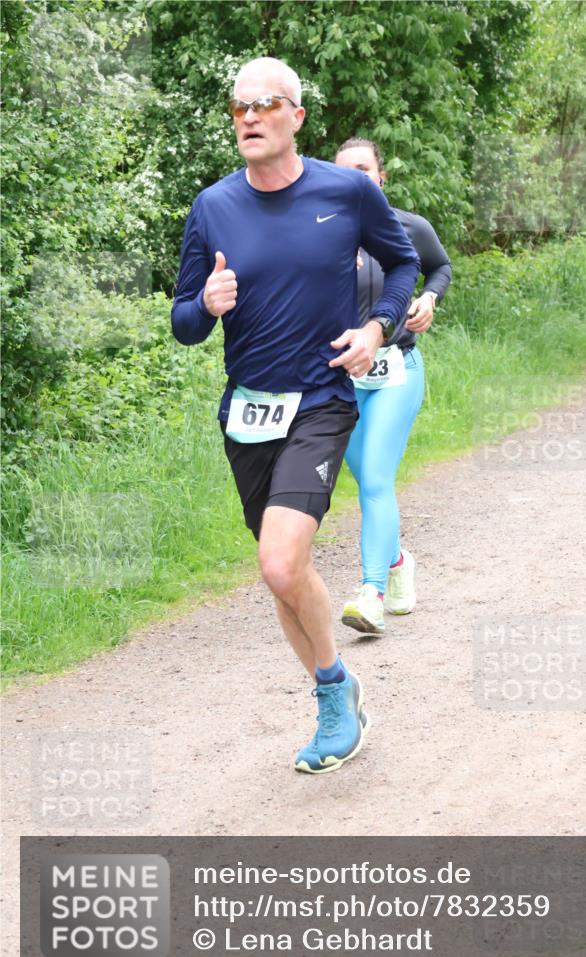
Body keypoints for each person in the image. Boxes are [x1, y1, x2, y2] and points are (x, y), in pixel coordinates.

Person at [171, 59, 419, 773]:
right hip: (248, 411)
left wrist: (375, 328)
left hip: (321, 399)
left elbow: (400, 265)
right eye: (238, 107)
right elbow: (184, 322)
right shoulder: (212, 206)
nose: (248, 118)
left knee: (280, 560)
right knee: (282, 572)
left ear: (296, 117)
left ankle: (332, 697)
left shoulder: (343, 192)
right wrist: (205, 306)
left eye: (265, 105)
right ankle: (336, 689)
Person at [334, 138, 452, 635]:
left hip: (396, 371)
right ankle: (399, 559)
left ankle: (371, 593)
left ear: (381, 176)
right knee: (368, 484)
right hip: (340, 379)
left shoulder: (408, 227)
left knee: (377, 481)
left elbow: (440, 266)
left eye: (364, 169)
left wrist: (429, 296)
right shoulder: (319, 233)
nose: (356, 178)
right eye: (345, 171)